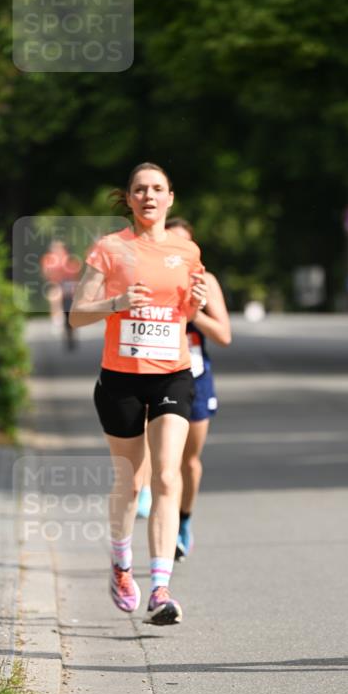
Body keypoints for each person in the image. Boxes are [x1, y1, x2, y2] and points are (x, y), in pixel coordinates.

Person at [69, 162, 207, 624]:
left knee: (168, 475)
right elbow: (77, 314)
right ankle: (121, 564)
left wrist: (197, 304)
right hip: (121, 377)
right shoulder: (109, 250)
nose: (148, 196)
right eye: (139, 190)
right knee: (132, 481)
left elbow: (185, 310)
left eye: (157, 189)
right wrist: (117, 303)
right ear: (128, 199)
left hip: (172, 371)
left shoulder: (187, 250)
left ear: (171, 198)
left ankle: (161, 588)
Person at [136, 217, 231, 557]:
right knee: (157, 450)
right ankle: (155, 504)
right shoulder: (146, 277)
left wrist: (192, 313)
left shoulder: (205, 281)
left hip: (196, 375)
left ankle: (185, 519)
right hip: (154, 371)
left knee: (189, 460)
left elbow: (224, 335)